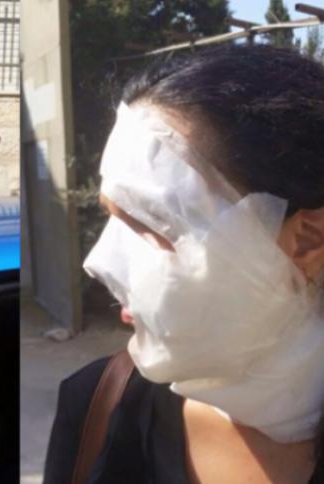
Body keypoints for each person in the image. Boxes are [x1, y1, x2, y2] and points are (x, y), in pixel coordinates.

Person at [44, 44, 324, 483]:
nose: (97, 263)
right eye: (110, 216)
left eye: (149, 224)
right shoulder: (96, 408)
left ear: (307, 241)